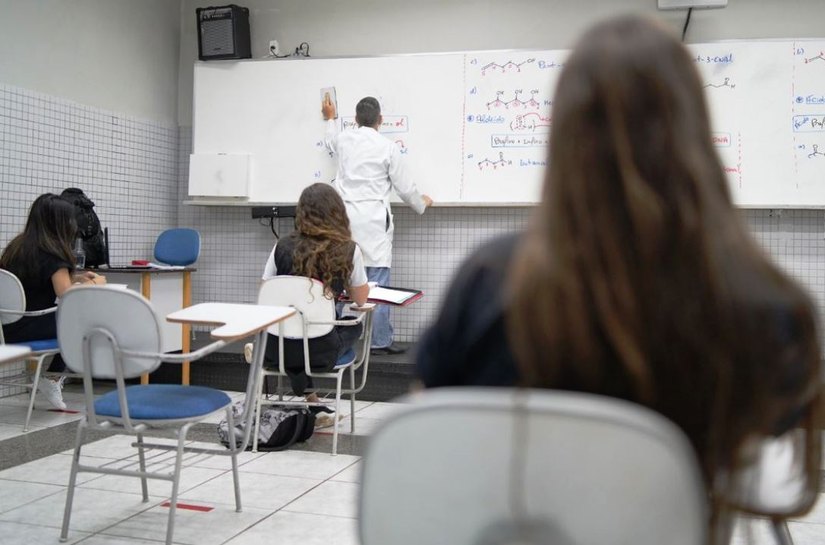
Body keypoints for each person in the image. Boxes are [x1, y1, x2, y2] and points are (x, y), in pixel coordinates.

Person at [415, 15, 822, 543]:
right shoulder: (771, 308)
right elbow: (768, 463)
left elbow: (427, 434)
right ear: (694, 133)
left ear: (563, 137)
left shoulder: (491, 283)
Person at [248, 183, 369, 426]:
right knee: (354, 325)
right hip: (320, 352)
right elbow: (361, 300)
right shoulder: (348, 250)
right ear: (338, 213)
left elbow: (265, 292)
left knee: (295, 333)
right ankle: (314, 405)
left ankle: (312, 402)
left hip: (276, 348)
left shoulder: (280, 246)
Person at [322, 95, 433, 355]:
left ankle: (328, 334)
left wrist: (330, 118)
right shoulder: (388, 147)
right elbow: (405, 188)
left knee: (339, 277)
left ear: (355, 119)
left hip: (345, 220)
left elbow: (329, 140)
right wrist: (421, 204)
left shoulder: (344, 139)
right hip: (373, 221)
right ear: (380, 120)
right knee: (378, 284)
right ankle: (379, 341)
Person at [1, 193, 106, 409]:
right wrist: (96, 283)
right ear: (59, 223)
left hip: (7, 328)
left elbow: (34, 280)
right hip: (33, 328)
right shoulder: (53, 253)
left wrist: (75, 277)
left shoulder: (15, 248)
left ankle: (51, 379)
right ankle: (52, 378)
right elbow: (66, 294)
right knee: (87, 323)